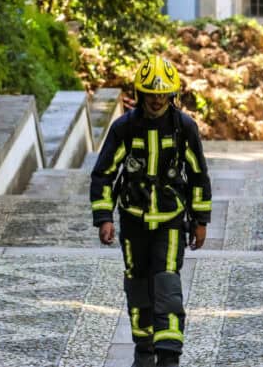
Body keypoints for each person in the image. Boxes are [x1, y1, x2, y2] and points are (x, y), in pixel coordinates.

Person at [90, 55, 212, 367]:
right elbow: (104, 174)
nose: (157, 100)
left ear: (173, 95)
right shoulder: (124, 128)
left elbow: (198, 175)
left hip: (171, 220)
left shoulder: (184, 128)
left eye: (163, 94)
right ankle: (144, 348)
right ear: (140, 93)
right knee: (137, 283)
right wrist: (104, 217)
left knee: (167, 281)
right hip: (133, 220)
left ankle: (169, 352)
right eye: (151, 93)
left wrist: (200, 221)